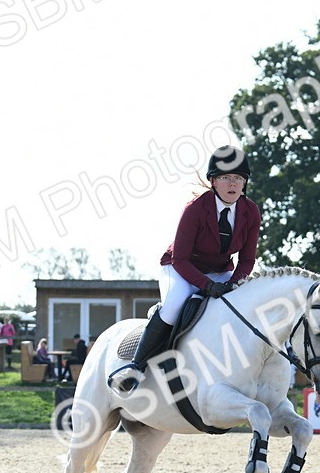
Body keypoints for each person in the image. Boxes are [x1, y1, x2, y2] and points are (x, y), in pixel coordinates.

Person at [108, 146, 262, 393]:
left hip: (221, 270)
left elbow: (246, 260)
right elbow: (180, 258)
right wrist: (207, 286)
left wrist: (234, 284)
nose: (232, 184)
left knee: (243, 305)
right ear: (213, 181)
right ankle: (135, 368)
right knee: (173, 307)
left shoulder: (250, 211)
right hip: (180, 268)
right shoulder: (196, 209)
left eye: (238, 178)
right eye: (225, 178)